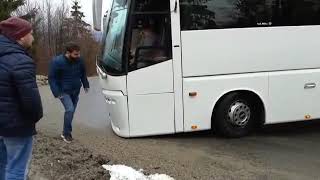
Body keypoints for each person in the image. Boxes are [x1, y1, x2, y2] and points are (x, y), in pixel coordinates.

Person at [0, 17, 43, 180]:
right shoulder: (21, 61)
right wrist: (35, 117)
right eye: (30, 34)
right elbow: (31, 101)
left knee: (2, 165)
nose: (33, 37)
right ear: (20, 37)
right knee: (16, 169)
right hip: (17, 127)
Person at [48, 43, 90, 143]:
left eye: (79, 54)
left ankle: (64, 131)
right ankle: (66, 134)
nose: (78, 56)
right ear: (68, 53)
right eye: (76, 54)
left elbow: (83, 74)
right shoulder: (57, 62)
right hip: (63, 91)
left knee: (71, 113)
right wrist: (56, 92)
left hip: (76, 90)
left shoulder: (80, 61)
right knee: (70, 110)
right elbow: (52, 78)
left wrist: (86, 84)